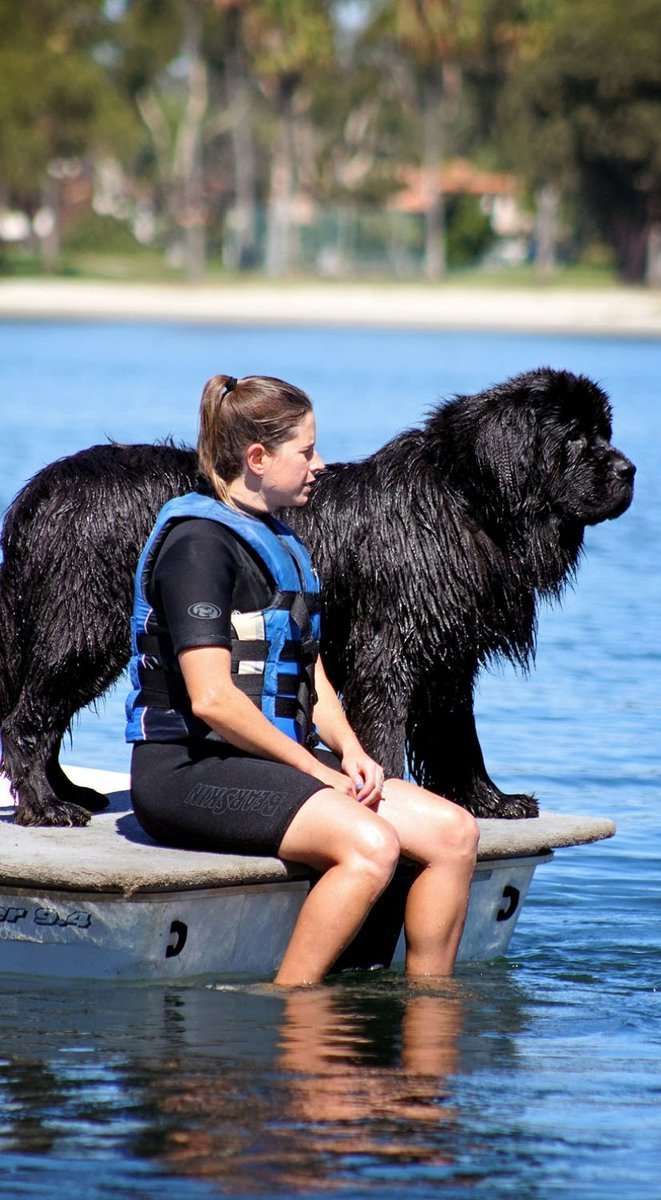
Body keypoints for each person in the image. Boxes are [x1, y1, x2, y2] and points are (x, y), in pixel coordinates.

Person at [125, 374, 479, 986]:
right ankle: (296, 1012)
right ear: (258, 459)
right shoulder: (197, 547)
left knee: (454, 833)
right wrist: (316, 772)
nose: (321, 464)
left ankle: (429, 1021)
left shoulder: (282, 542)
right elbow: (212, 700)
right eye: (306, 450)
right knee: (372, 846)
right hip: (186, 773)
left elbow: (309, 673)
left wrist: (350, 752)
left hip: (270, 765)